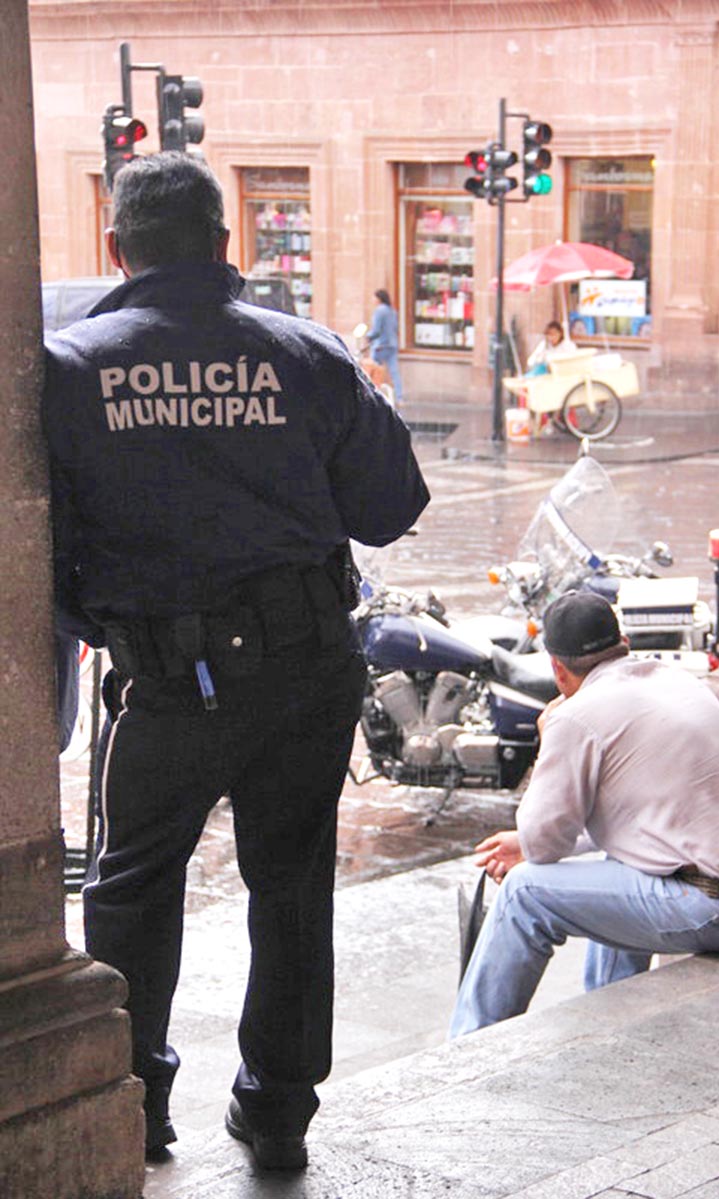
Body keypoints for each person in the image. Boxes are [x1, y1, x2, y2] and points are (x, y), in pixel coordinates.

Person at [41, 152, 429, 1170]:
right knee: (291, 883)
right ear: (225, 245)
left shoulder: (72, 367)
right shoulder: (307, 353)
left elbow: (42, 546)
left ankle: (133, 1103)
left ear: (117, 250)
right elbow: (392, 505)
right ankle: (277, 1111)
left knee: (130, 887)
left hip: (165, 680)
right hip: (305, 672)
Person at [450, 591, 719, 1037]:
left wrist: (546, 736)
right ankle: (610, 1012)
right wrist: (525, 843)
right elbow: (641, 822)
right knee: (622, 860)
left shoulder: (574, 717)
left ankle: (467, 1044)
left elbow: (543, 845)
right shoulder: (676, 681)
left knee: (524, 893)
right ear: (625, 643)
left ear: (557, 669)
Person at [366, 288, 403, 403]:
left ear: (379, 298)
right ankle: (399, 397)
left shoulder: (379, 311)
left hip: (380, 345)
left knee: (372, 370)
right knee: (394, 371)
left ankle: (371, 395)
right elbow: (396, 328)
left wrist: (369, 336)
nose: (372, 300)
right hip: (392, 344)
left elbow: (376, 330)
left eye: (374, 297)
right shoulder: (392, 311)